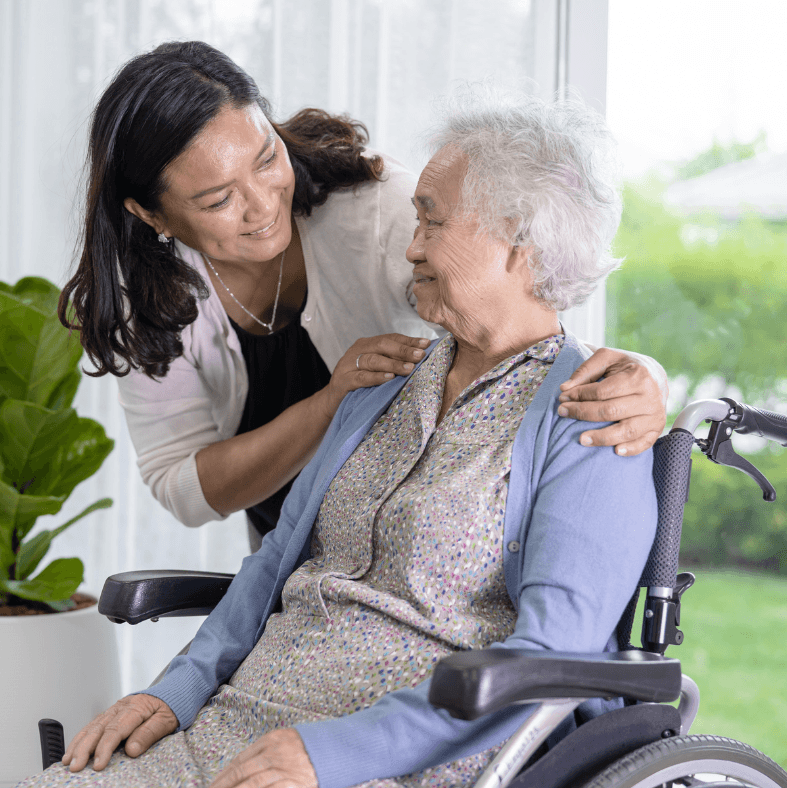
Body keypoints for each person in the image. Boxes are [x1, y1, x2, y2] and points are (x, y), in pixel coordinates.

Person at [21, 83, 659, 788]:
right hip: (245, 721)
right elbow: (270, 568)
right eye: (416, 218)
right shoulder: (381, 381)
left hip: (405, 753)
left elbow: (552, 652)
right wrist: (171, 692)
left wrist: (334, 754)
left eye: (432, 222)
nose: (410, 245)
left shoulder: (590, 423)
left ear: (520, 243)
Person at [58, 41, 667, 549]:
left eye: (267, 157)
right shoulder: (143, 297)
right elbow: (184, 488)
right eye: (218, 200)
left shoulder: (383, 213)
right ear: (151, 215)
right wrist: (331, 404)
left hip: (414, 549)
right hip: (299, 566)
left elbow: (531, 316)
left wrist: (643, 378)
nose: (263, 202)